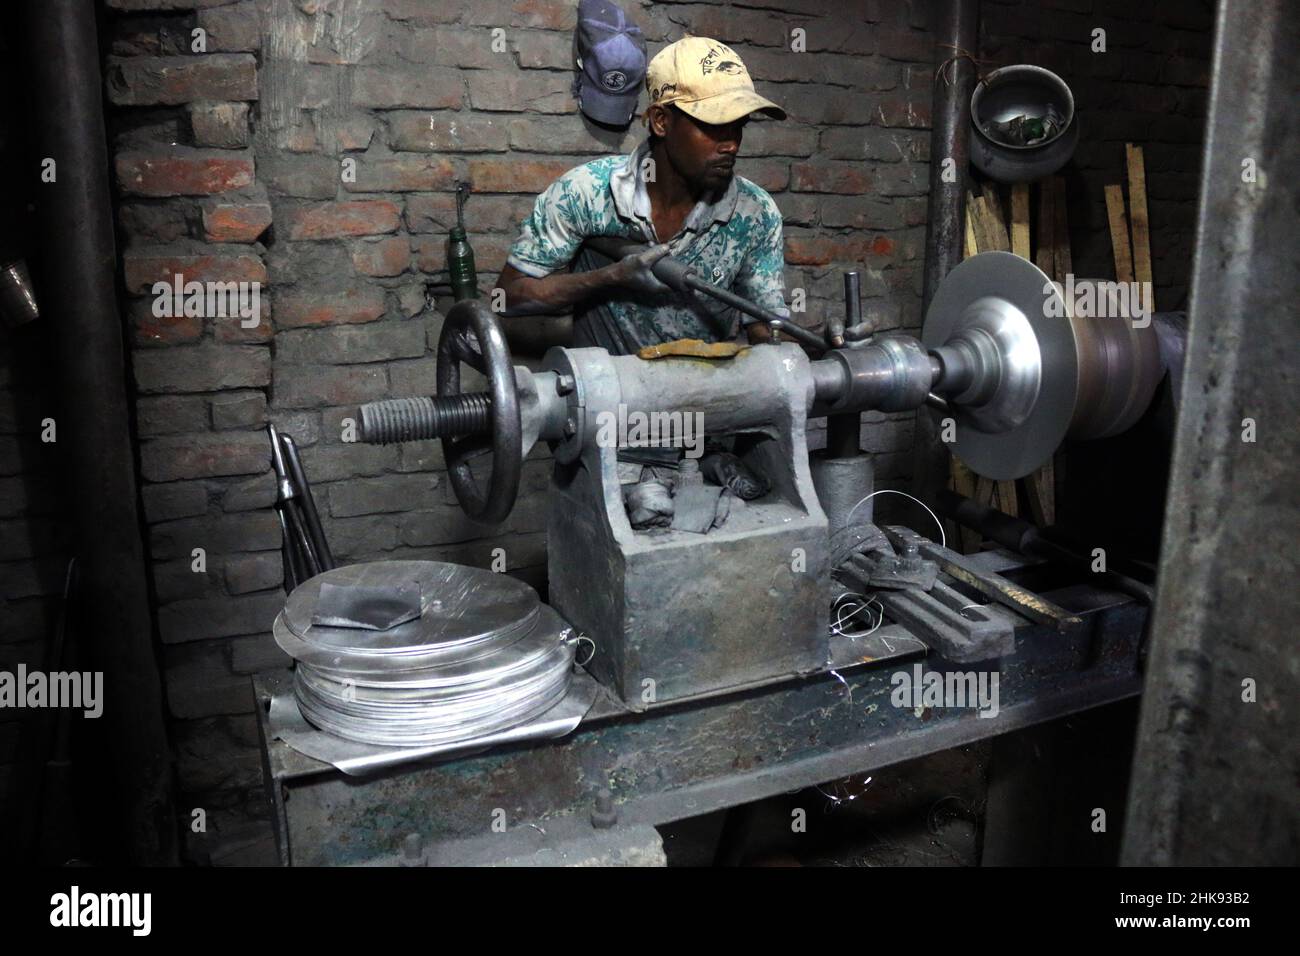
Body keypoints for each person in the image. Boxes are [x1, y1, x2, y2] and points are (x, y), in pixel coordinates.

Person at [495, 36, 791, 355]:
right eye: (715, 125)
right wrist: (611, 277)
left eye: (738, 127)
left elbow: (766, 328)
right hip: (608, 396)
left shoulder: (755, 212)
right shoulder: (588, 192)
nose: (731, 144)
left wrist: (822, 350)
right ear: (661, 121)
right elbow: (507, 297)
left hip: (705, 394)